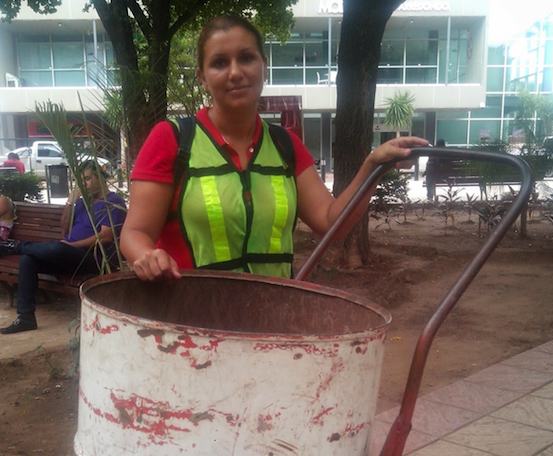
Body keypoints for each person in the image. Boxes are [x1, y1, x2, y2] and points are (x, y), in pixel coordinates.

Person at [120, 15, 428, 281]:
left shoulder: (284, 145)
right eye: (219, 63)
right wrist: (146, 256)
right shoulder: (172, 140)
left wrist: (372, 166)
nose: (235, 72)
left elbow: (330, 223)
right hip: (190, 327)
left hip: (271, 323)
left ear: (263, 66)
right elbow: (135, 233)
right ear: (202, 76)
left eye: (246, 57)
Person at [0, 161, 126, 334]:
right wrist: (70, 203)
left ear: (100, 178)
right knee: (28, 260)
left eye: (88, 179)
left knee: (57, 249)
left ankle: (16, 246)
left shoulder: (113, 202)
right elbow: (65, 228)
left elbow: (105, 237)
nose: (84, 184)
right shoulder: (82, 203)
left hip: (92, 257)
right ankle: (26, 317)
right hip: (66, 255)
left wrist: (72, 245)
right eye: (81, 180)